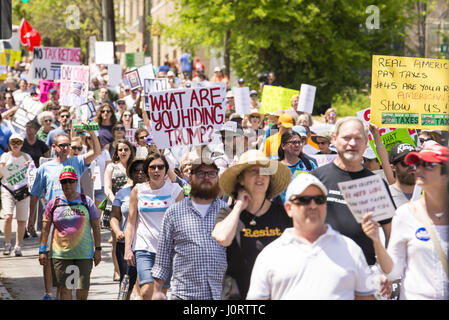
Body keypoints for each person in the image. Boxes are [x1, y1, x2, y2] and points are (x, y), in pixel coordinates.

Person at [247, 173, 376, 300]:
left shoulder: (350, 249)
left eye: (319, 199)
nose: (313, 205)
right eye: (304, 200)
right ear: (288, 208)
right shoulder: (270, 255)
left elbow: (366, 296)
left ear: (325, 205)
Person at [362, 144, 449, 300]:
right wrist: (376, 241)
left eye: (428, 165)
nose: (418, 169)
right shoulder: (405, 215)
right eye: (417, 164)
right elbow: (393, 271)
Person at [311, 117, 393, 268]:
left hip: (363, 275)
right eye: (347, 138)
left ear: (366, 143)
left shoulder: (376, 184)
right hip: (322, 272)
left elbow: (390, 236)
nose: (353, 143)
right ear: (334, 140)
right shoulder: (315, 179)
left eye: (358, 138)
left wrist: (385, 273)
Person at [28, 131, 101, 300]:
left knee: (69, 279)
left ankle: (61, 293)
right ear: (54, 147)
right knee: (49, 256)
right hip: (53, 216)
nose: (66, 148)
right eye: (62, 145)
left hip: (74, 215)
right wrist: (31, 219)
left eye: (68, 145)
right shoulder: (45, 168)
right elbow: (35, 194)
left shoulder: (76, 162)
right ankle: (48, 293)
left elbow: (96, 152)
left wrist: (91, 133)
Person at [212, 149, 292, 299]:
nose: (260, 176)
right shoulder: (228, 213)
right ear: (241, 180)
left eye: (265, 171)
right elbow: (222, 238)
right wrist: (238, 207)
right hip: (237, 296)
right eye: (254, 171)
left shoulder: (284, 215)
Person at [151, 156, 228, 300]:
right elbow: (162, 258)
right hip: (185, 295)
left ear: (217, 178)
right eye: (200, 173)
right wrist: (157, 291)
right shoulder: (174, 212)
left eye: (211, 173)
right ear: (190, 178)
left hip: (220, 294)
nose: (206, 177)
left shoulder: (228, 213)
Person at [124, 152, 184, 300]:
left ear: (165, 169)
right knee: (146, 291)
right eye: (152, 167)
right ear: (147, 170)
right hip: (144, 247)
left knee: (160, 294)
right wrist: (127, 248)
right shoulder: (138, 190)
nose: (156, 170)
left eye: (160, 167)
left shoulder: (175, 190)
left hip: (167, 249)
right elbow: (131, 222)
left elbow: (182, 223)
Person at [38, 166, 102, 300]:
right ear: (60, 183)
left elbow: (96, 227)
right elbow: (45, 228)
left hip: (83, 253)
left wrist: (98, 249)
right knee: (65, 289)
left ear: (76, 182)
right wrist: (42, 250)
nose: (67, 185)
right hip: (61, 254)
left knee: (82, 290)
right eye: (64, 182)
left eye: (70, 181)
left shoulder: (86, 201)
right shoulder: (54, 203)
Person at [110, 158, 147, 300]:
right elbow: (114, 216)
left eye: (143, 170)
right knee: (126, 283)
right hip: (126, 244)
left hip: (147, 244)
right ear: (130, 173)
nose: (139, 173)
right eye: (136, 170)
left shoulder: (155, 193)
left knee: (147, 284)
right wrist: (118, 231)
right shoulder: (122, 193)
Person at [104, 139, 135, 281]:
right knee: (117, 238)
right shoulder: (111, 167)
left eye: (126, 149)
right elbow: (107, 188)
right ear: (116, 152)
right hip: (115, 204)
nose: (123, 152)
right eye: (120, 150)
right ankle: (117, 269)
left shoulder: (135, 167)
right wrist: (116, 200)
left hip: (133, 204)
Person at [0, 134, 33, 256]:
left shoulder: (26, 157)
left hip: (23, 191)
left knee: (21, 220)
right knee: (8, 217)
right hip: (7, 190)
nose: (15, 145)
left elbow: (32, 174)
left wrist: (30, 166)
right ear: (9, 143)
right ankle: (7, 244)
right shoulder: (5, 156)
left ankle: (18, 246)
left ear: (22, 144)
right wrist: (3, 168)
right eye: (13, 142)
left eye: (18, 142)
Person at [278, 131, 318, 203]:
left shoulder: (309, 165)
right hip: (280, 211)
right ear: (283, 145)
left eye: (299, 142)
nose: (297, 145)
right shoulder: (274, 167)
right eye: (293, 142)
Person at [388, 143, 417, 207]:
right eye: (406, 162)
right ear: (393, 167)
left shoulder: (430, 193)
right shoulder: (385, 197)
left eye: (415, 161)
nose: (412, 165)